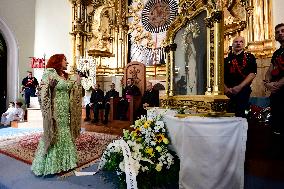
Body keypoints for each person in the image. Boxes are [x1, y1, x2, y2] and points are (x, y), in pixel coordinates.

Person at [31, 54, 82, 176]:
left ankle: (65, 163)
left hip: (66, 111)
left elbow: (73, 90)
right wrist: (50, 87)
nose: (67, 62)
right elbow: (42, 92)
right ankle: (51, 165)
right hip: (55, 111)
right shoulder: (49, 73)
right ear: (58, 61)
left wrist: (78, 82)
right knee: (54, 133)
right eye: (65, 60)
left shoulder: (66, 76)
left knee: (65, 133)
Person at [224, 36, 257, 117]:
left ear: (244, 44)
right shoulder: (226, 60)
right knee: (227, 115)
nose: (238, 43)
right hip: (227, 92)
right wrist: (225, 89)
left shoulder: (250, 57)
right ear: (232, 44)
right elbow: (220, 76)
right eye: (236, 42)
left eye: (241, 42)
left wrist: (239, 87)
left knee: (240, 115)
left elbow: (252, 73)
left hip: (243, 91)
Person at [264, 23, 284, 137]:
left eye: (283, 31)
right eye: (277, 32)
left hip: (280, 89)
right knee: (276, 126)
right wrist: (267, 83)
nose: (280, 33)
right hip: (276, 93)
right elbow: (269, 70)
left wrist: (276, 85)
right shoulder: (276, 53)